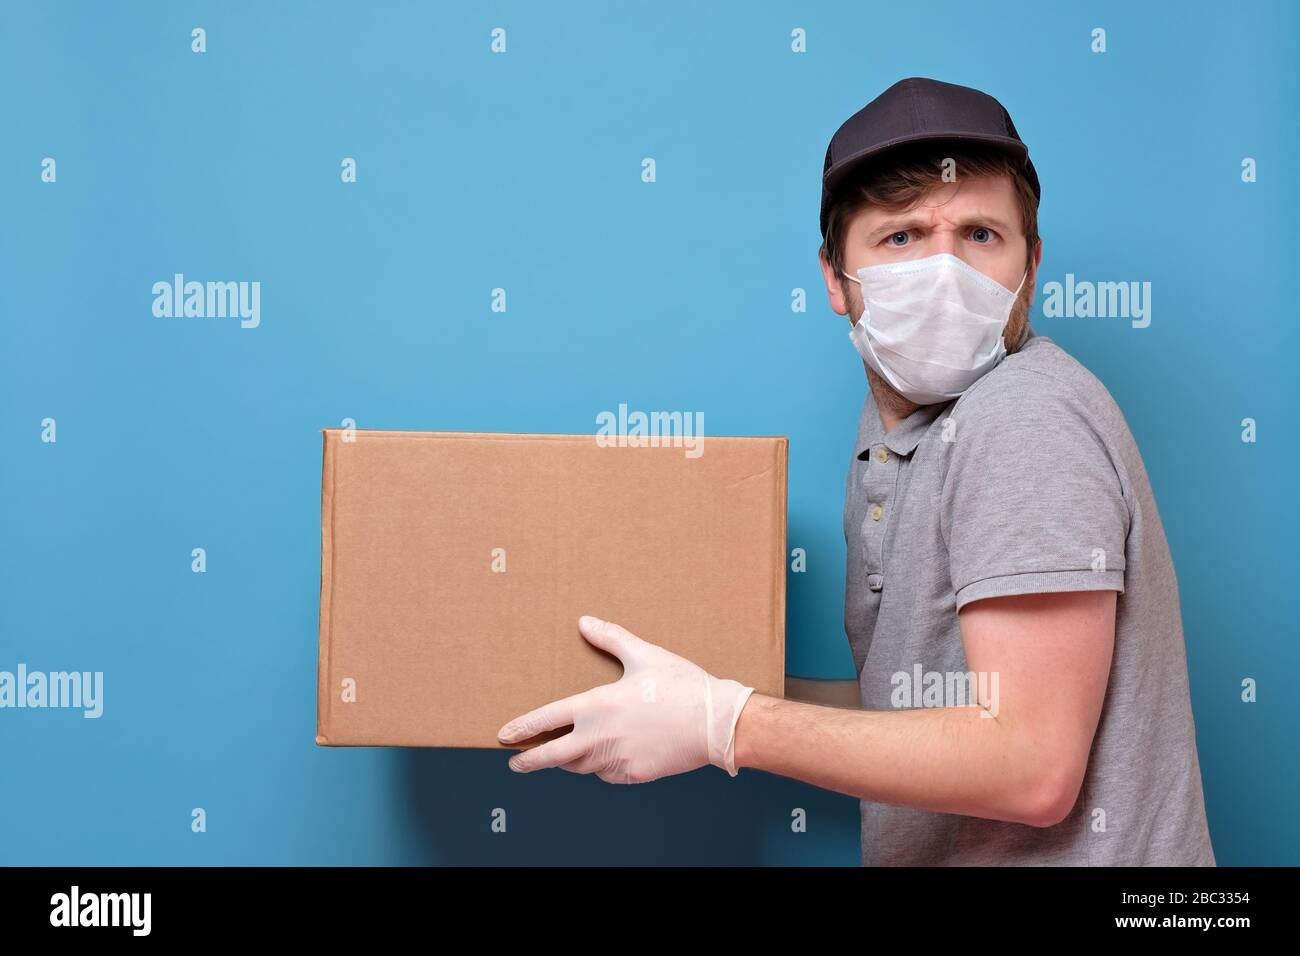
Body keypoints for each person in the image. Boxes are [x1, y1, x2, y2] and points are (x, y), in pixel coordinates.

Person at [497, 77, 1215, 866]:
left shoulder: (1022, 417)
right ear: (836, 279)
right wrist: (698, 697)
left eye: (980, 235)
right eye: (901, 238)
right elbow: (925, 712)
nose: (946, 272)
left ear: (1030, 266)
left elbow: (1031, 765)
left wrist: (725, 723)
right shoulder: (899, 432)